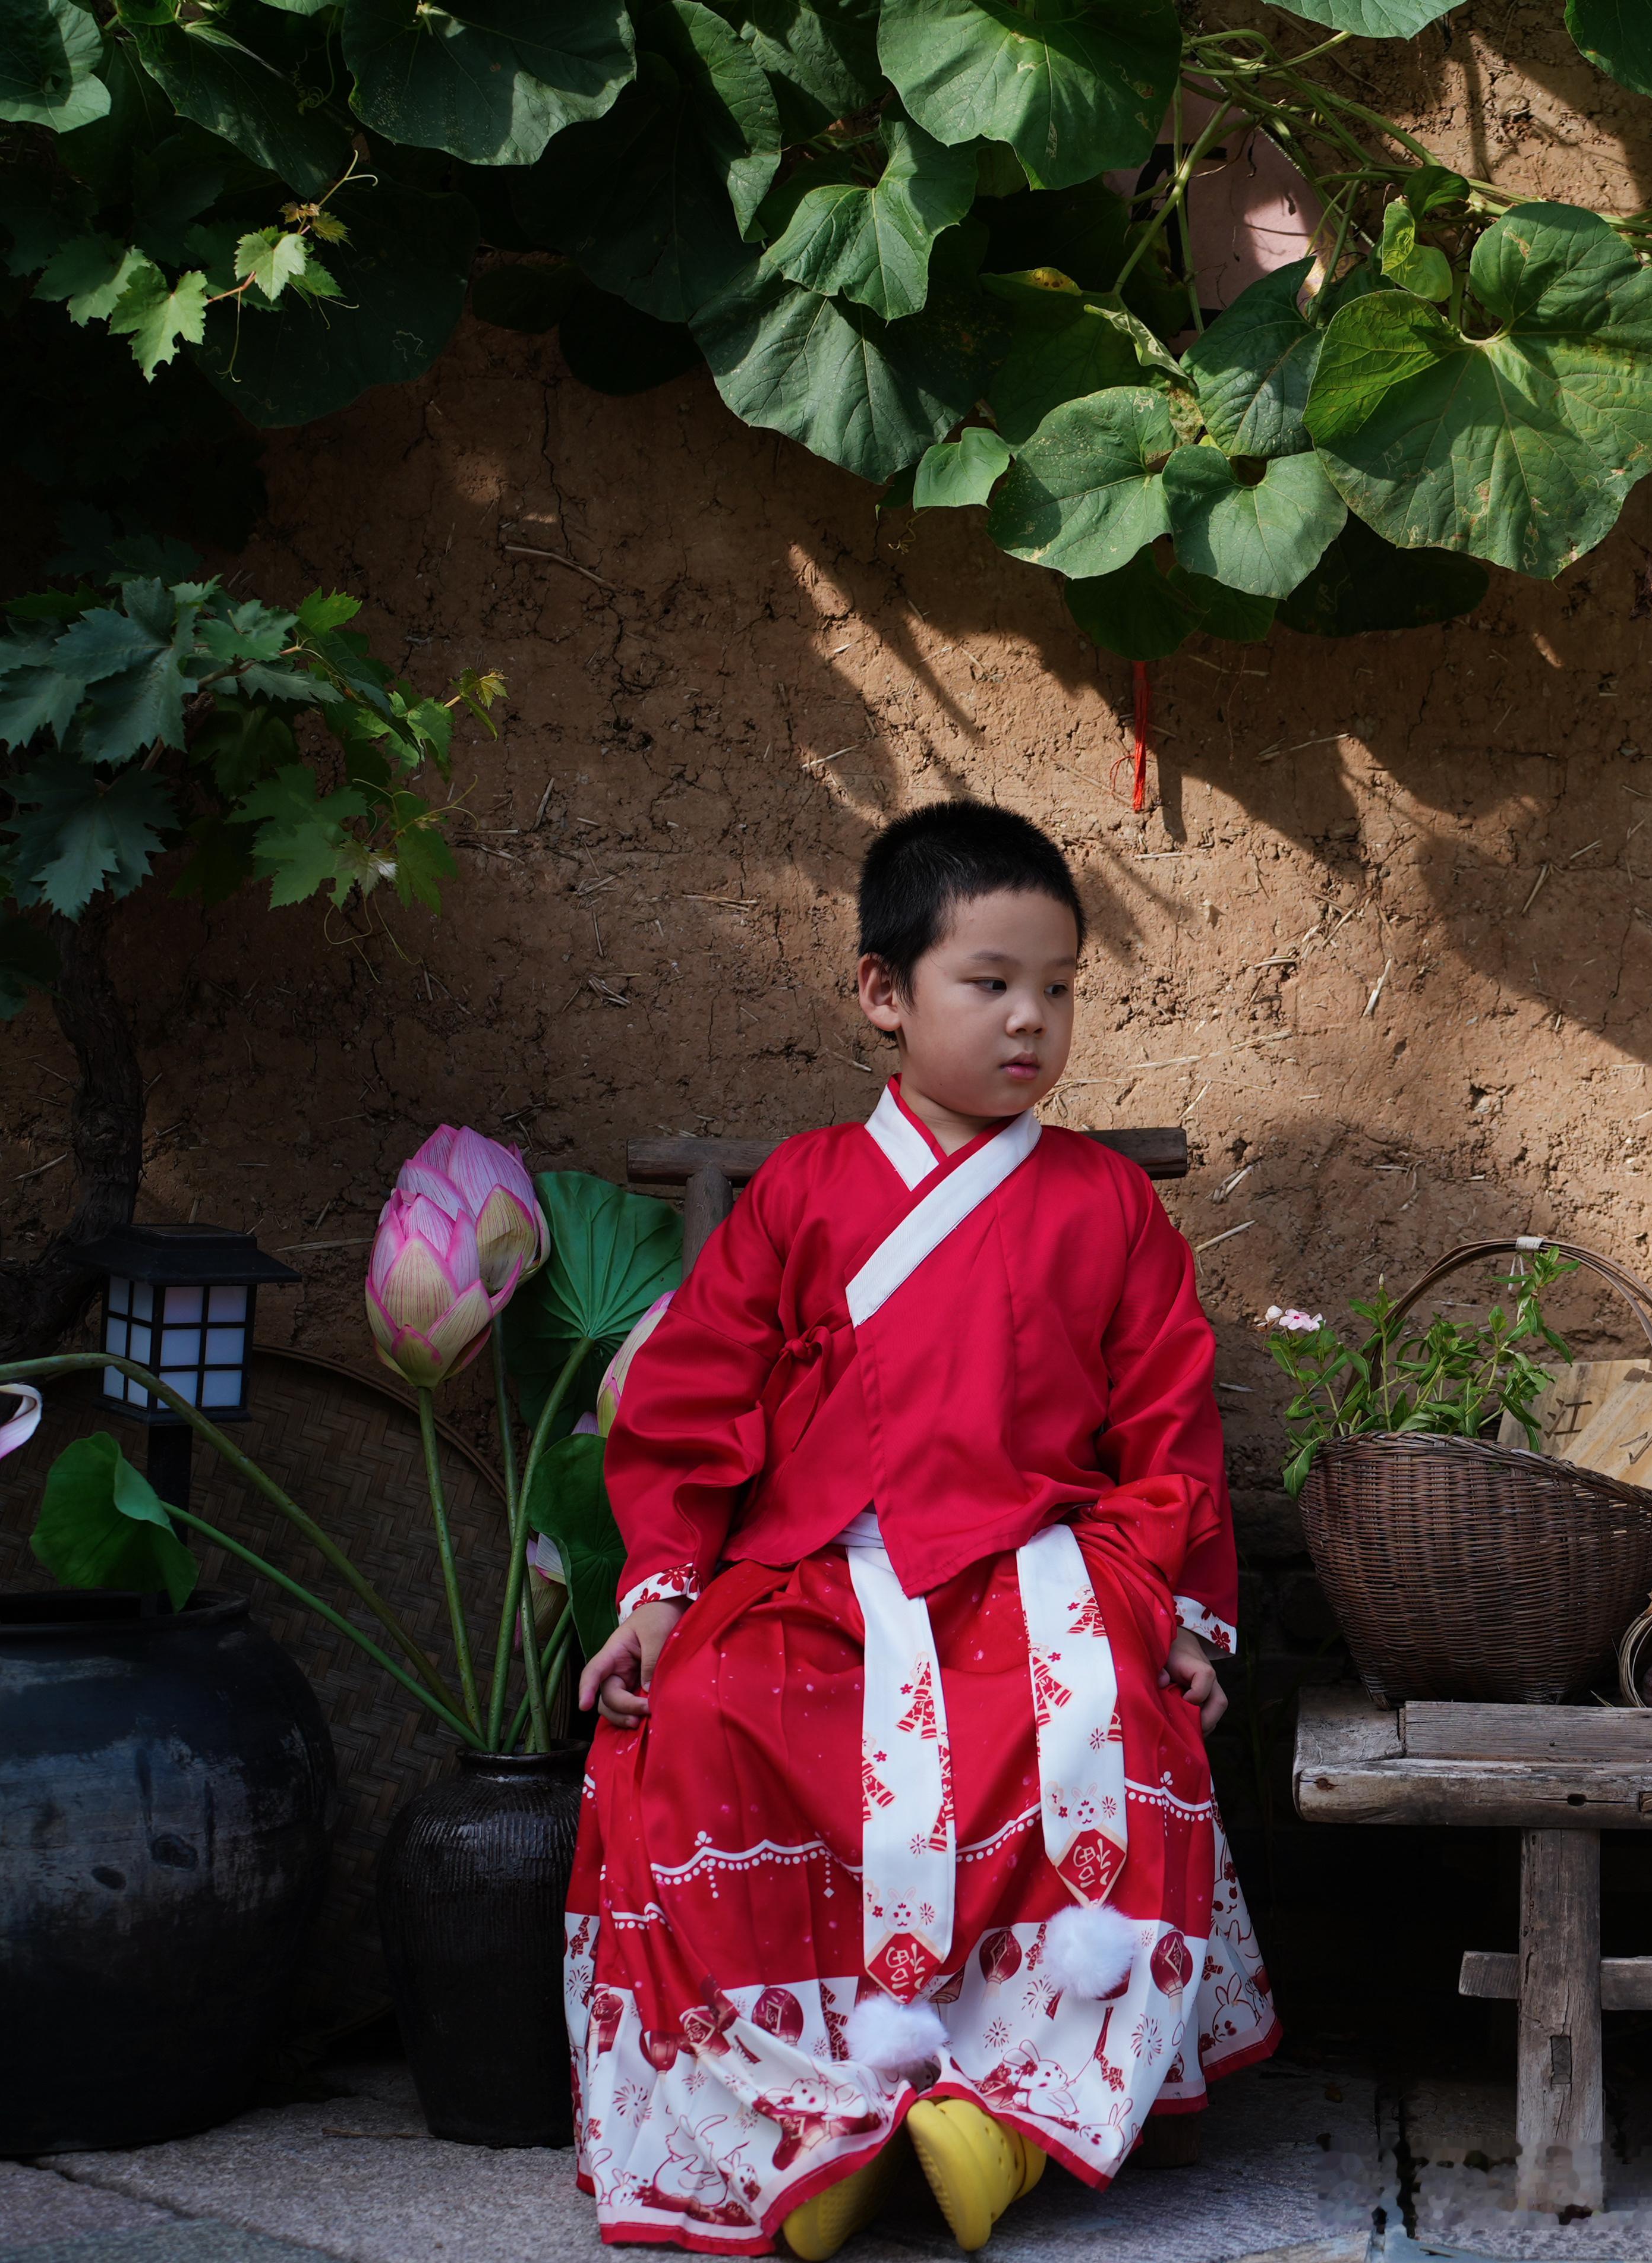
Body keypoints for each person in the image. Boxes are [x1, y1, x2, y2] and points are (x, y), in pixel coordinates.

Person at [563, 802, 1274, 2256]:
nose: (1032, 1020)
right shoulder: (805, 1195)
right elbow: (693, 1402)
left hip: (1038, 1569)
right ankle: (801, 2123)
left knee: (1116, 1727)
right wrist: (656, 1592)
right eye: (991, 981)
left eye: (1060, 987)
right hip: (814, 1572)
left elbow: (1165, 1432)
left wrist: (1174, 1611)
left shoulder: (1109, 1207)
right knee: (698, 1708)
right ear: (884, 993)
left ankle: (1007, 2121)